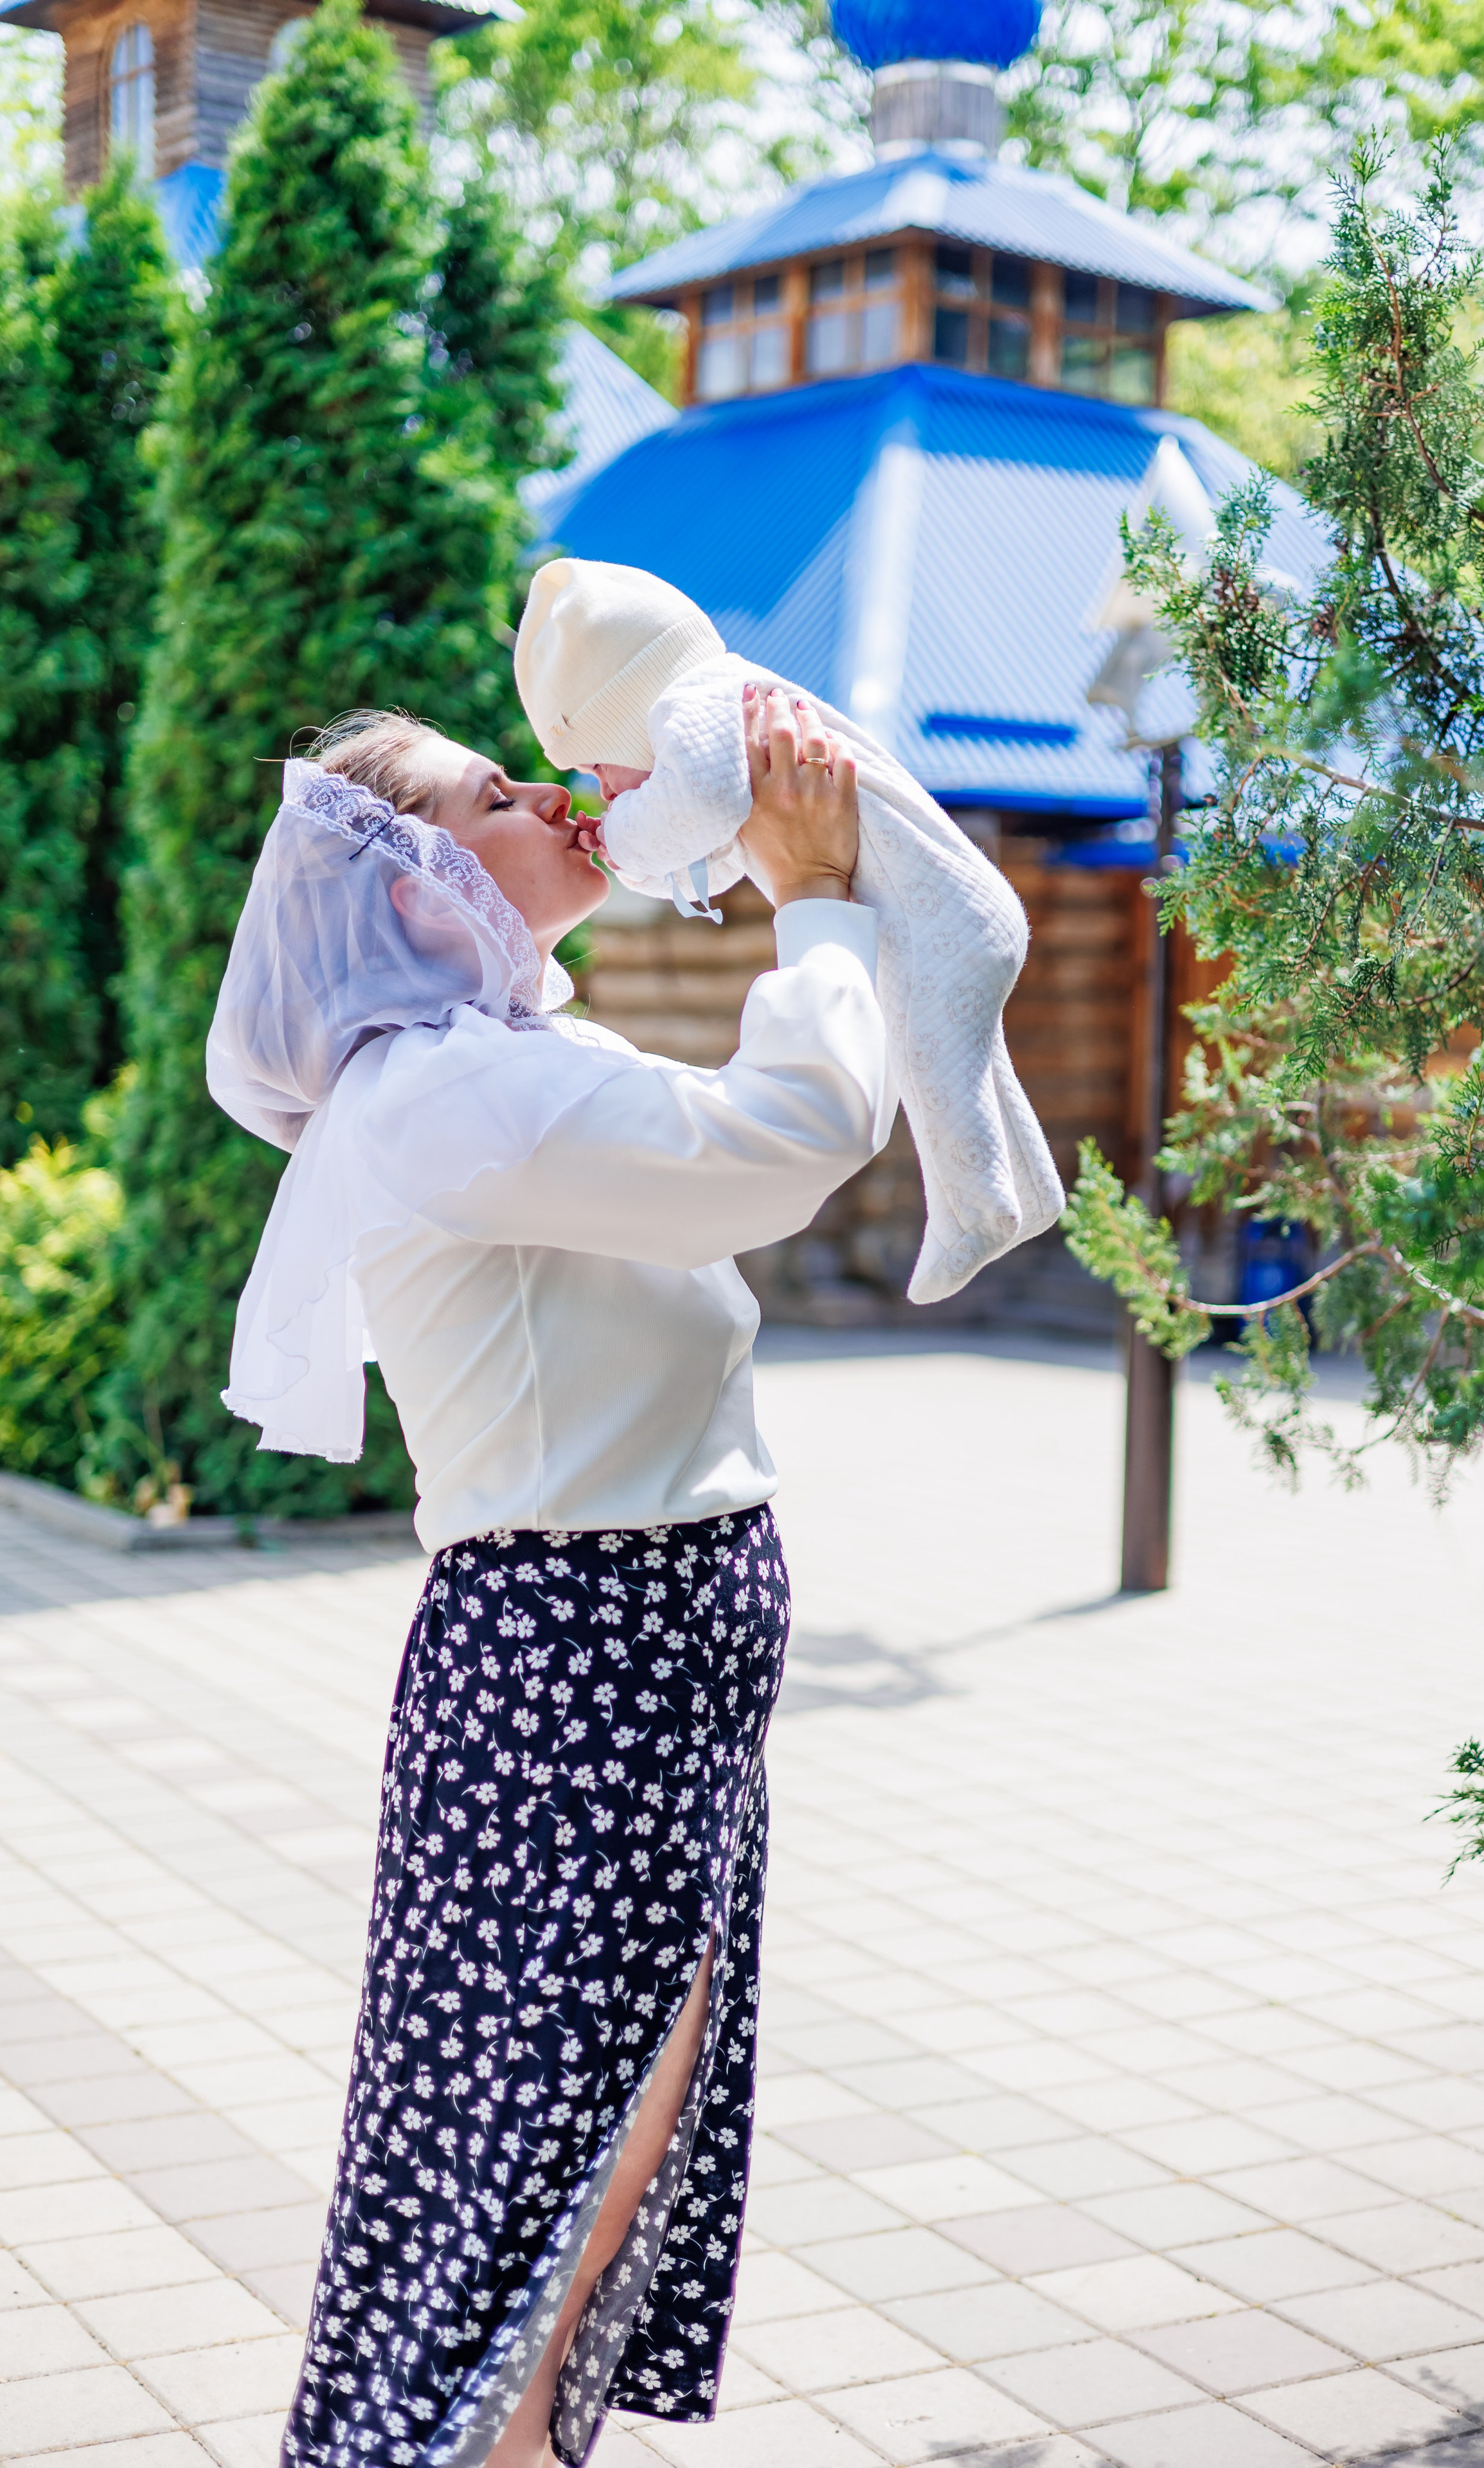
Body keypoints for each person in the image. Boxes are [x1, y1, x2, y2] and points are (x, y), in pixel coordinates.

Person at [204, 688, 891, 2467]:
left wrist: (726, 841)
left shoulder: (491, 1064)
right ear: (412, 886)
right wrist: (814, 897)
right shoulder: (453, 1096)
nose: (553, 797)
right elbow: (793, 1140)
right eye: (492, 796)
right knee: (548, 2169)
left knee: (578, 2160)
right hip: (582, 1682)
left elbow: (722, 1154)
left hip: (613, 1678)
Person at [513, 557, 1063, 1309]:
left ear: (622, 708)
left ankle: (971, 1209)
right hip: (952, 918)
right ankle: (1027, 1190)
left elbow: (694, 805)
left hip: (934, 925)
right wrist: (639, 855)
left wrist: (623, 833)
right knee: (969, 1064)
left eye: (596, 764)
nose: (601, 790)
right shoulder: (728, 717)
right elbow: (714, 860)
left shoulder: (697, 704)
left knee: (930, 1064)